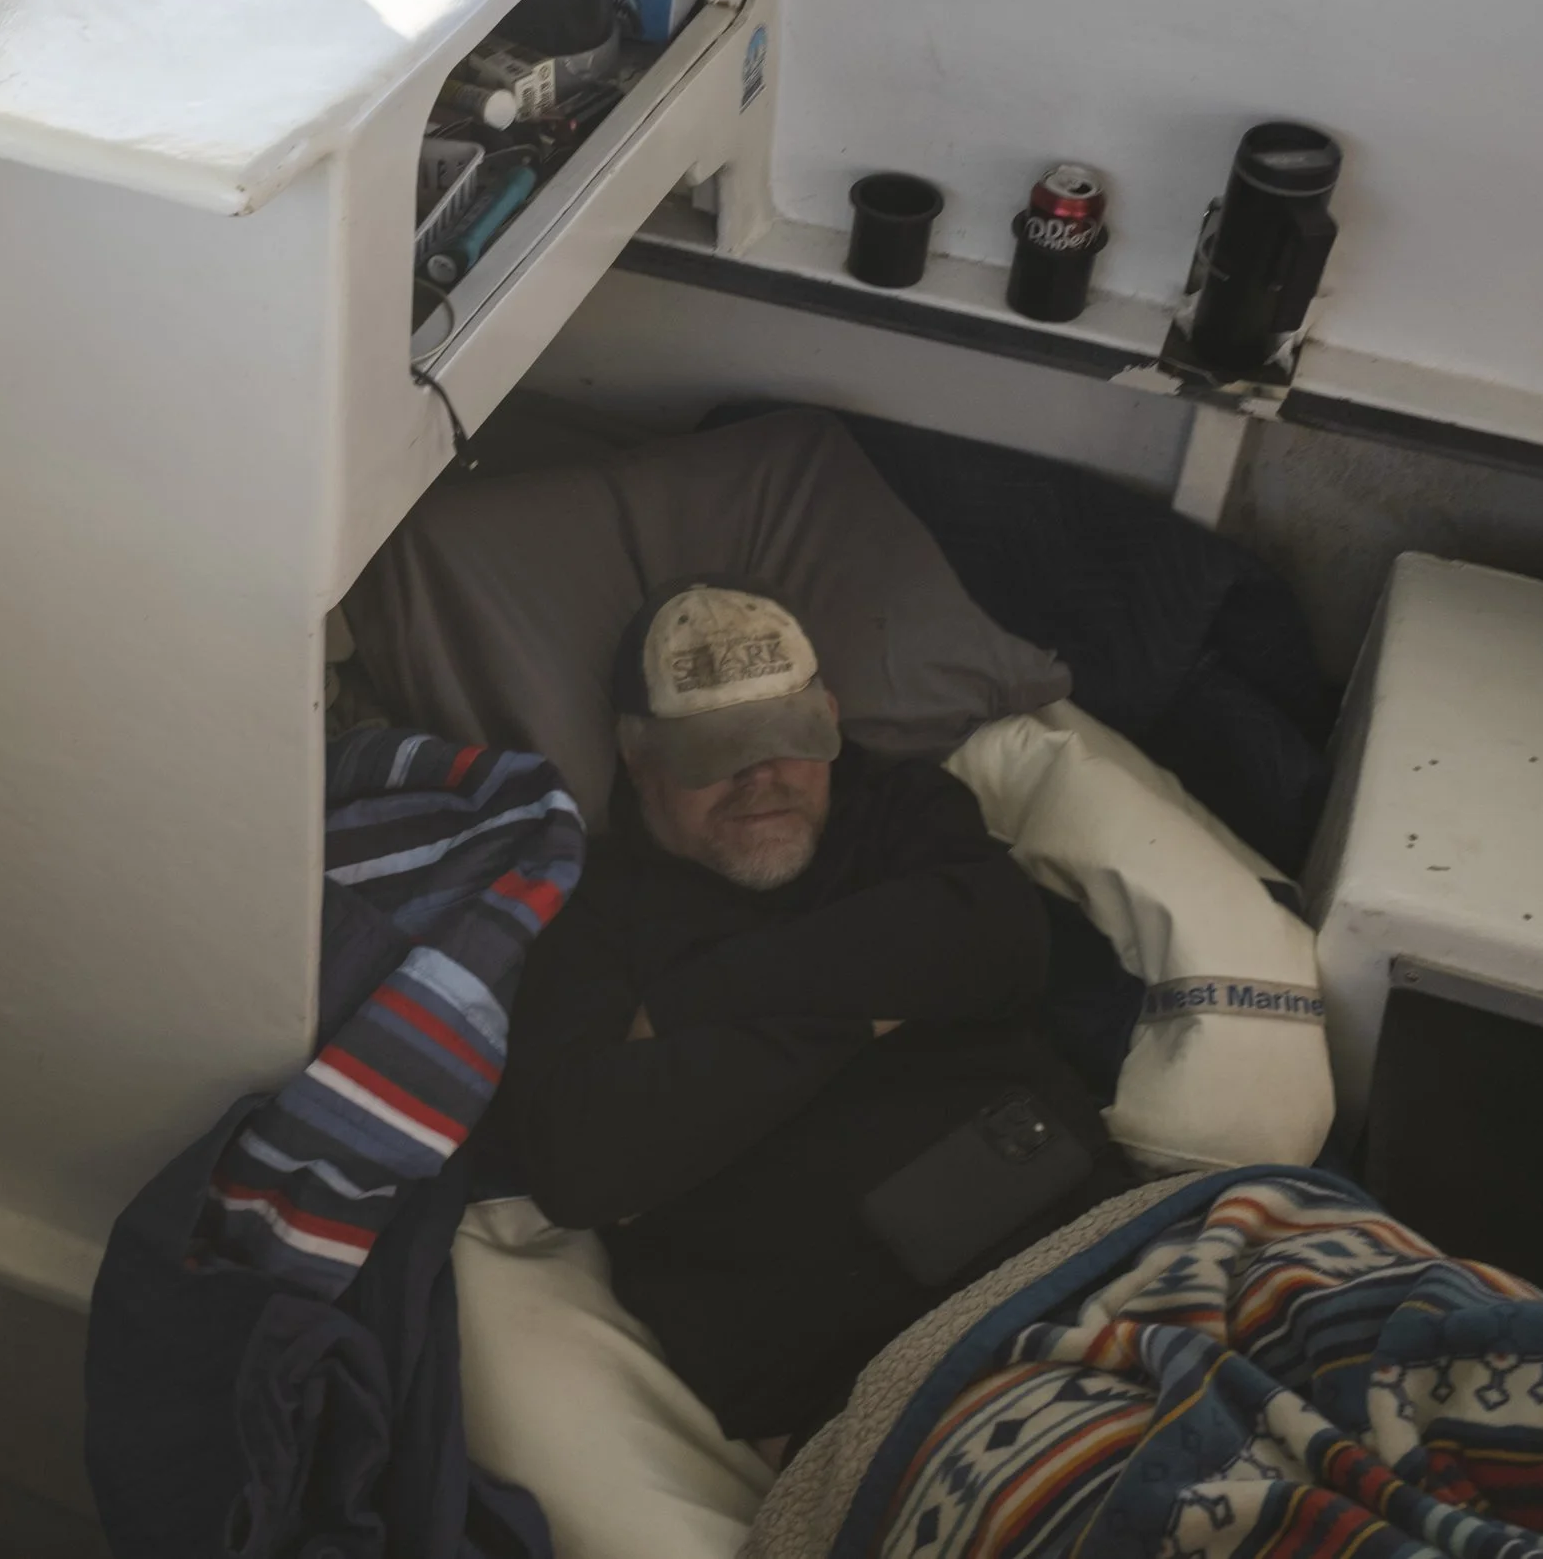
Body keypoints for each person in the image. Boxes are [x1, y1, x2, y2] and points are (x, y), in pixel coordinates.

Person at [472, 577, 1130, 1451]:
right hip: (868, 1373)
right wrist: (875, 1002)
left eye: (788, 738)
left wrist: (694, 1005)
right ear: (638, 756)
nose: (762, 777)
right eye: (718, 751)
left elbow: (1006, 940)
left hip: (1094, 1240)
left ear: (828, 715)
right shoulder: (588, 920)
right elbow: (584, 1155)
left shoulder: (890, 811)